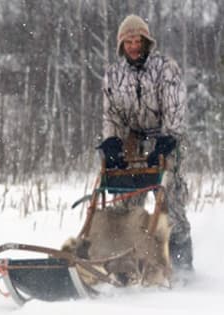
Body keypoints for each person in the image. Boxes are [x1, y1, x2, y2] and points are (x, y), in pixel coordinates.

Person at [98, 14, 193, 271]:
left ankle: (181, 266)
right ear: (121, 45)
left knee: (170, 201)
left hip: (165, 138)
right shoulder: (114, 74)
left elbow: (176, 105)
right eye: (128, 42)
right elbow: (111, 114)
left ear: (146, 41)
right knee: (127, 204)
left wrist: (167, 139)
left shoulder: (165, 68)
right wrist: (112, 141)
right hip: (133, 139)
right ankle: (128, 262)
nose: (133, 46)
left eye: (138, 41)